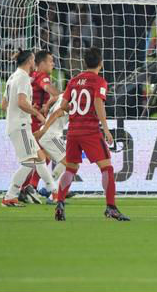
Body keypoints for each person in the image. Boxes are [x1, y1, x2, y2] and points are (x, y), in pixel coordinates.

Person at [52, 47, 129, 221]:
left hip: (73, 131)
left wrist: (75, 110)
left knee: (71, 168)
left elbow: (63, 105)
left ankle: (60, 203)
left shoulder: (73, 81)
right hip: (90, 131)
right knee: (107, 168)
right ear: (101, 63)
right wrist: (106, 129)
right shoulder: (99, 82)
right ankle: (111, 207)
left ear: (85, 63)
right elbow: (98, 103)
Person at [0, 49, 52, 207]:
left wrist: (28, 107)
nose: (35, 62)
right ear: (30, 61)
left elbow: (4, 105)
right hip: (21, 126)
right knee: (29, 162)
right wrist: (37, 113)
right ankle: (11, 196)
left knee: (40, 158)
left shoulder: (12, 77)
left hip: (17, 124)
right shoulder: (23, 78)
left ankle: (52, 189)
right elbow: (21, 102)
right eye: (34, 60)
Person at [22, 50, 61, 197]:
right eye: (51, 61)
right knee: (40, 157)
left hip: (30, 120)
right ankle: (25, 188)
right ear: (42, 63)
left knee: (42, 156)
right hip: (35, 122)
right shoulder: (42, 76)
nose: (53, 64)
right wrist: (63, 95)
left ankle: (29, 187)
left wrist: (46, 105)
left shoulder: (30, 75)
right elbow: (52, 91)